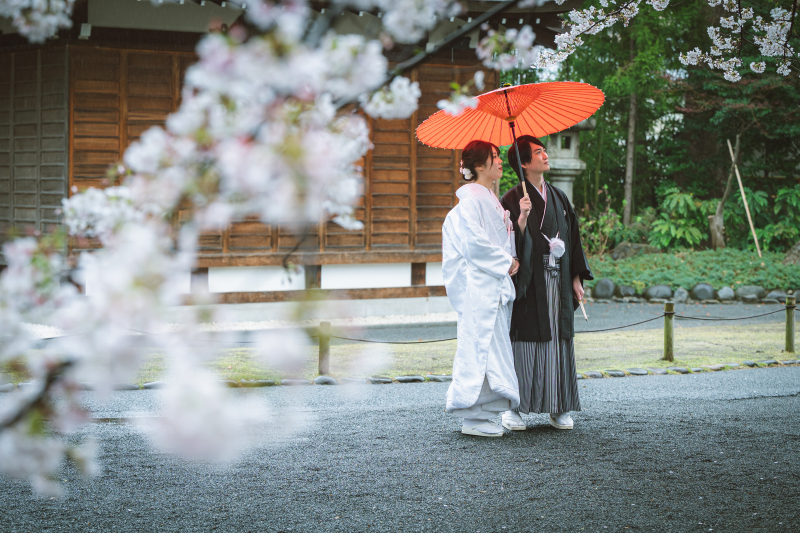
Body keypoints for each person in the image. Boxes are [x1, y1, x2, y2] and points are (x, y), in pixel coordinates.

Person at [499, 135, 593, 431]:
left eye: (544, 151)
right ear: (524, 163)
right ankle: (514, 408)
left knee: (558, 341)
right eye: (539, 152)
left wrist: (576, 278)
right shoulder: (511, 199)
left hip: (559, 281)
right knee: (525, 342)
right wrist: (523, 219)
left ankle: (559, 406)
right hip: (529, 283)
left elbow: (573, 236)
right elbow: (505, 245)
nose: (546, 155)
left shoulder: (559, 197)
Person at [442, 140, 521, 437]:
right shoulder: (472, 201)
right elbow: (474, 245)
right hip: (480, 286)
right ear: (478, 166)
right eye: (495, 157)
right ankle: (472, 415)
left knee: (493, 348)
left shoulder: (489, 198)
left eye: (500, 156)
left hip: (494, 283)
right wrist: (505, 261)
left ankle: (485, 413)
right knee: (479, 348)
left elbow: (496, 240)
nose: (500, 162)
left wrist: (515, 223)